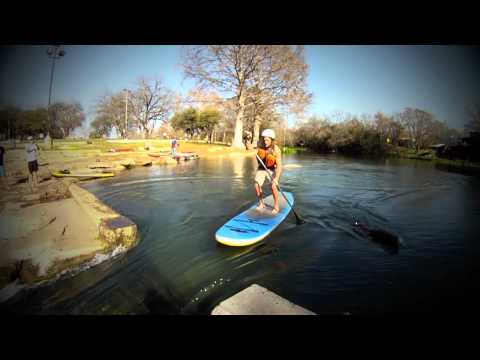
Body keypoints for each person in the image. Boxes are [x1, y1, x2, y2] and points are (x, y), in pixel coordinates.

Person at [254, 129, 282, 214]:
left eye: (267, 140)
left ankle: (276, 206)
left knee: (273, 186)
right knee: (256, 185)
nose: (265, 142)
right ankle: (262, 204)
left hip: (272, 169)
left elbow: (279, 166)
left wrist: (276, 179)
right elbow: (250, 147)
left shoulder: (276, 149)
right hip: (262, 168)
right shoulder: (260, 145)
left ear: (272, 140)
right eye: (264, 139)